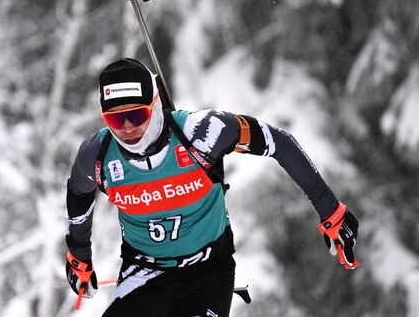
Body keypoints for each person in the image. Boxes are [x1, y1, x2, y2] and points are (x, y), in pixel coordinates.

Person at [65, 58, 359, 317]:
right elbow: (79, 193)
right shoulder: (98, 154)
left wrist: (330, 210)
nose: (127, 128)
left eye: (137, 116)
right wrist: (80, 254)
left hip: (207, 272)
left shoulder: (203, 133)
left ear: (155, 105)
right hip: (144, 273)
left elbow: (278, 142)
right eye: (116, 119)